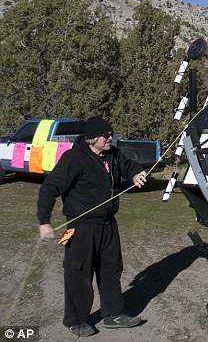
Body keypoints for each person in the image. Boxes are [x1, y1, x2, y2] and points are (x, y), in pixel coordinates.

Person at [37, 116, 148, 337]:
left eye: (111, 134)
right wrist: (44, 221)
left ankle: (113, 314)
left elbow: (129, 165)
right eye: (105, 136)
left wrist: (136, 173)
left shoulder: (113, 155)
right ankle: (75, 320)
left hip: (108, 226)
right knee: (77, 273)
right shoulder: (73, 159)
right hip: (79, 227)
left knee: (111, 270)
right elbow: (49, 188)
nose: (110, 138)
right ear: (91, 139)